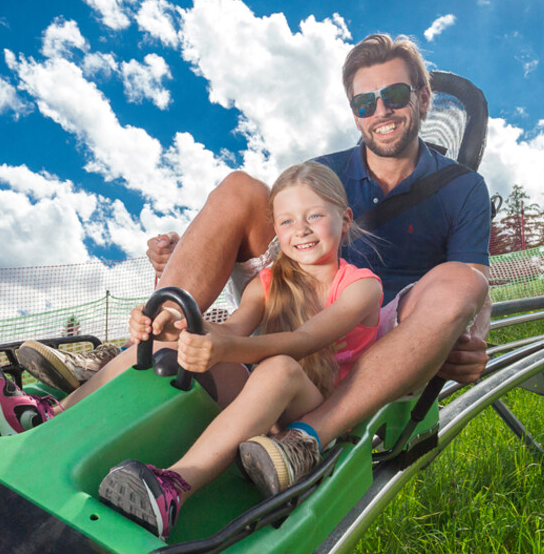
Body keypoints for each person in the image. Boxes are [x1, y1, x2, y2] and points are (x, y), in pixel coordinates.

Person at [0, 162, 383, 538]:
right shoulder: (267, 283)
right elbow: (233, 329)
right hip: (263, 405)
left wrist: (227, 345)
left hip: (310, 415)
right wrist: (168, 327)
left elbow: (306, 340)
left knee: (280, 367)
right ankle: (47, 415)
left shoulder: (361, 287)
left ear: (344, 219)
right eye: (287, 221)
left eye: (314, 216)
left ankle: (173, 488)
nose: (301, 230)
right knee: (173, 338)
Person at [140, 33, 492, 484]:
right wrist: (191, 254)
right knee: (240, 189)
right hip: (302, 304)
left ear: (423, 99)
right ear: (354, 112)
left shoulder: (463, 187)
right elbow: (281, 252)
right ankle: (150, 336)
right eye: (364, 102)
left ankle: (307, 439)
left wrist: (474, 338)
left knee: (461, 282)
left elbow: (476, 284)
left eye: (395, 95)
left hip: (387, 328)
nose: (380, 111)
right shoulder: (326, 172)